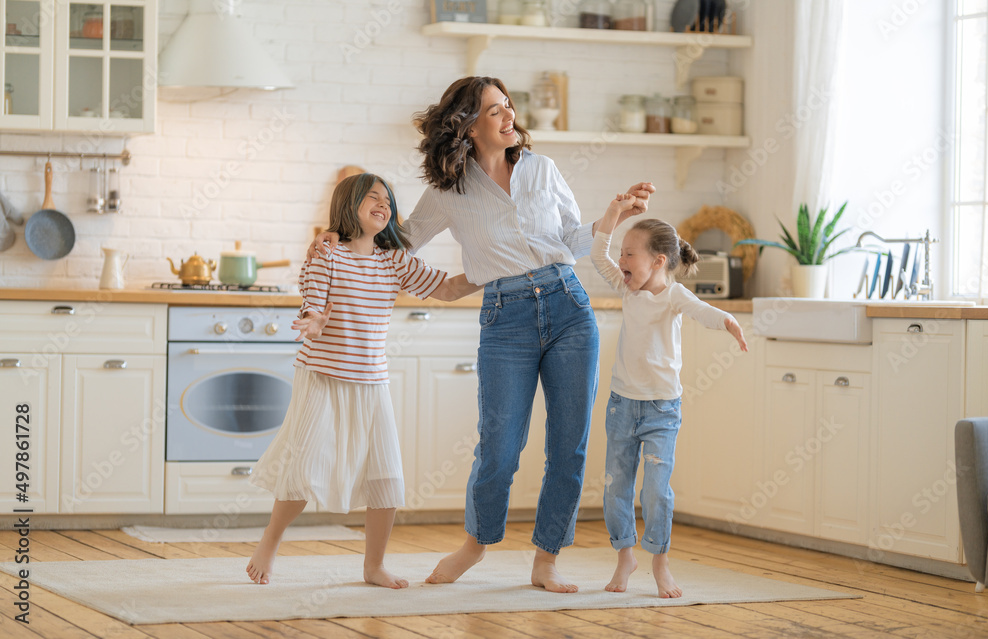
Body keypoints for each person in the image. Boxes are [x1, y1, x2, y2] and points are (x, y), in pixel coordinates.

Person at [310, 76, 654, 593]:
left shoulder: (543, 170)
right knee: (499, 445)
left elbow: (569, 239)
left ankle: (546, 558)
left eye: (508, 106)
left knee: (570, 445)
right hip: (505, 316)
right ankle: (475, 544)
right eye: (494, 110)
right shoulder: (450, 191)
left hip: (568, 307)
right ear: (466, 126)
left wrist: (614, 216)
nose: (508, 115)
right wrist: (338, 236)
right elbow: (396, 240)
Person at [246, 173, 480, 588]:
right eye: (372, 197)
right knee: (304, 463)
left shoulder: (394, 260)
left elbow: (445, 288)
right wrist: (315, 320)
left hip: (371, 379)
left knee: (385, 474)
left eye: (387, 200)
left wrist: (495, 269)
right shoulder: (328, 253)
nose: (383, 203)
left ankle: (374, 566)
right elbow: (314, 303)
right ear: (347, 204)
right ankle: (269, 541)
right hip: (321, 374)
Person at [591, 194, 748, 598]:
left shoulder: (674, 295)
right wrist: (611, 217)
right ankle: (625, 555)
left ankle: (660, 562)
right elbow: (597, 254)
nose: (621, 261)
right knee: (614, 489)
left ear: (659, 260)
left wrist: (728, 321)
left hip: (662, 408)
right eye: (621, 254)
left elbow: (701, 310)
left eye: (630, 254)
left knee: (656, 491)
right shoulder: (627, 288)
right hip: (622, 406)